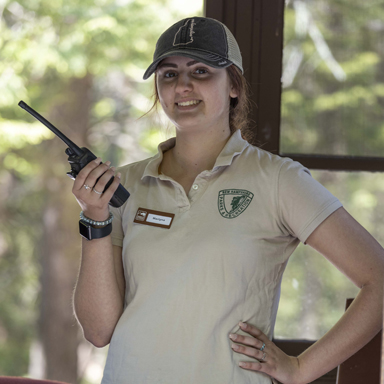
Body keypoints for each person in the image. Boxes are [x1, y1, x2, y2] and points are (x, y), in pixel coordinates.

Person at [72, 16, 384, 384]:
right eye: (168, 74)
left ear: (234, 84)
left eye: (201, 71)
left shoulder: (278, 180)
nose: (182, 85)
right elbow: (98, 331)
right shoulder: (123, 184)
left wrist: (301, 369)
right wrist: (95, 218)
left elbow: (378, 279)